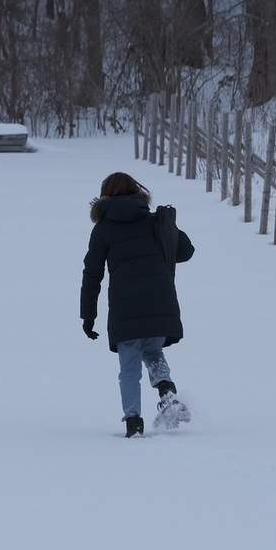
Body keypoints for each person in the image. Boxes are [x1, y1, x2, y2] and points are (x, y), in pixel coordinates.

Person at [80, 172, 194, 438]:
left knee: (129, 369)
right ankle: (167, 393)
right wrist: (167, 227)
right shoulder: (154, 221)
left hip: (125, 309)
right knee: (153, 351)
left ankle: (133, 422)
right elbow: (186, 251)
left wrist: (88, 316)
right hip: (160, 302)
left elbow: (92, 273)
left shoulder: (103, 229)